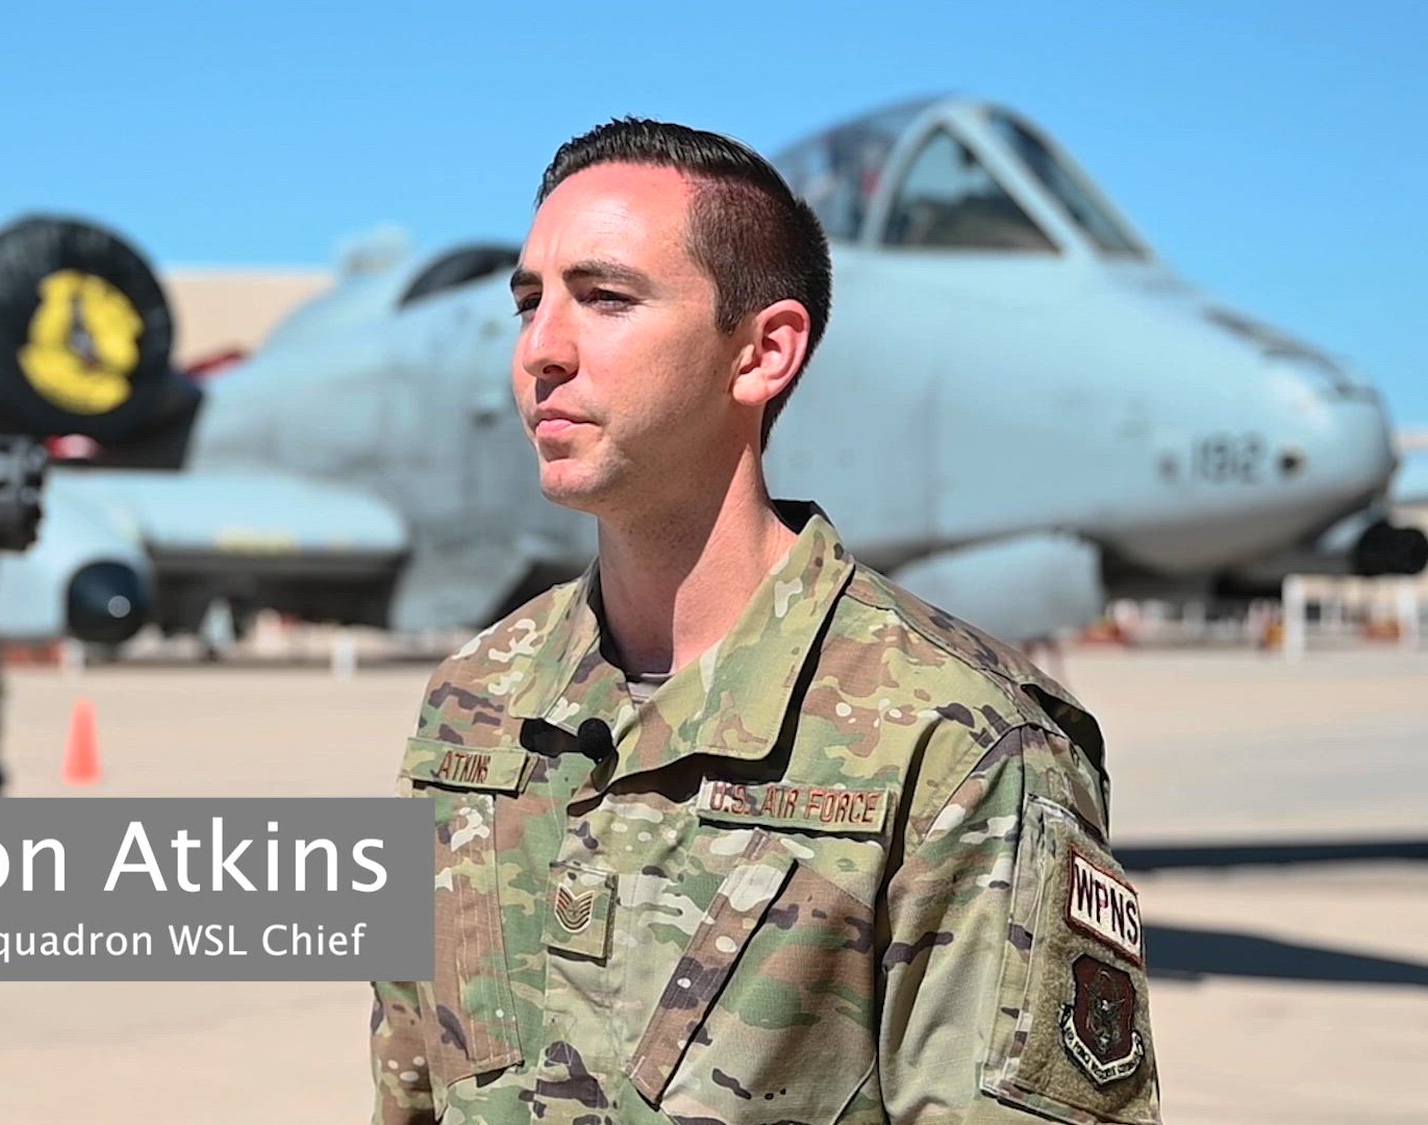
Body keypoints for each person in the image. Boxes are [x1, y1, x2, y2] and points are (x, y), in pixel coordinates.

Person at [369, 118, 1159, 1125]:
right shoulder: (467, 711)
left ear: (761, 352)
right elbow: (408, 1090)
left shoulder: (958, 747)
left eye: (603, 298)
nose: (540, 351)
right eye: (529, 301)